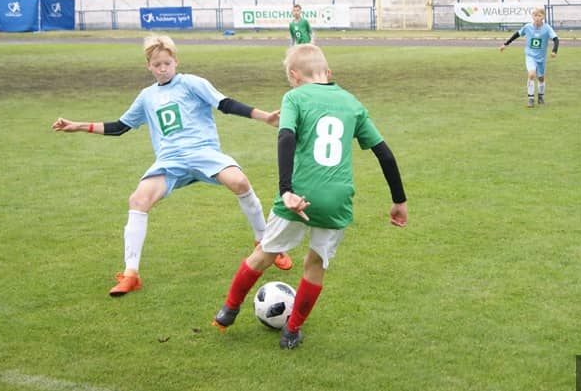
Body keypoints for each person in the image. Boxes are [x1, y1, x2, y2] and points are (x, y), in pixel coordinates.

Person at [51, 35, 293, 297]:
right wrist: (79, 126)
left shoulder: (192, 83)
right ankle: (131, 274)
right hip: (170, 161)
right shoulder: (147, 97)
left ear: (176, 61)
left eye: (167, 63)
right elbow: (120, 127)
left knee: (240, 182)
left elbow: (225, 104)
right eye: (157, 65)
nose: (163, 69)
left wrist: (264, 117)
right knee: (138, 200)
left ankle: (265, 242)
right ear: (149, 66)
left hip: (204, 153)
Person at [212, 43, 408, 349]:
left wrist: (286, 190)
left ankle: (228, 310)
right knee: (315, 263)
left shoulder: (294, 97)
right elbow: (384, 153)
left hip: (299, 193)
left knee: (265, 252)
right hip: (336, 199)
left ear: (294, 76)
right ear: (328, 73)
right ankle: (291, 332)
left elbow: (286, 136)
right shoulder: (352, 102)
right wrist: (399, 200)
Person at [498, 7, 559, 108]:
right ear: (532, 16)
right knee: (531, 75)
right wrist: (505, 44)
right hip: (530, 56)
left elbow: (556, 39)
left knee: (541, 78)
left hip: (541, 58)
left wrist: (554, 51)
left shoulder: (547, 28)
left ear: (543, 17)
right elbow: (517, 34)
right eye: (535, 15)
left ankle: (540, 97)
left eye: (539, 16)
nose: (537, 18)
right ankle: (530, 99)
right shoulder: (527, 27)